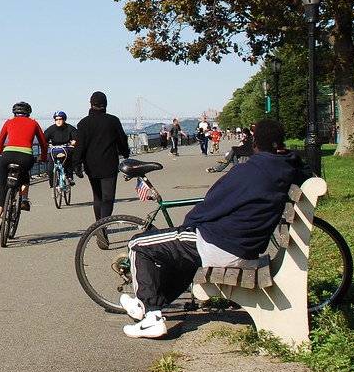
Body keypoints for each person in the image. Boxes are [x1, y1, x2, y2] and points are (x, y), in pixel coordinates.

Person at [119, 119, 304, 338]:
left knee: (138, 244)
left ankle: (152, 317)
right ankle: (149, 304)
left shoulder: (248, 172)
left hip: (219, 245)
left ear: (255, 143)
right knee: (183, 257)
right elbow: (305, 170)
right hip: (247, 250)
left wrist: (187, 226)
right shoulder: (288, 166)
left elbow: (211, 205)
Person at [0, 101, 47, 233]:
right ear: (28, 113)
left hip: (8, 155)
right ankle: (24, 200)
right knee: (25, 175)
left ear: (14, 113)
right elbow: (43, 143)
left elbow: (1, 139)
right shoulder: (34, 123)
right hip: (25, 156)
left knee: (3, 186)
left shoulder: (9, 122)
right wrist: (43, 157)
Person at [74, 91, 131, 222]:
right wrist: (125, 153)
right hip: (109, 164)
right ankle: (102, 227)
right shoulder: (113, 121)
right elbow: (122, 140)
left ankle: (98, 227)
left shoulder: (83, 123)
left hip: (91, 165)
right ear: (106, 104)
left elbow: (79, 146)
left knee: (98, 197)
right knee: (108, 198)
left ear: (90, 104)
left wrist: (76, 164)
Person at [43, 110, 79, 186]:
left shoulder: (69, 128)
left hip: (66, 148)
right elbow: (44, 138)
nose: (58, 121)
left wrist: (74, 140)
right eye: (56, 119)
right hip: (55, 149)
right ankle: (53, 183)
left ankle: (69, 177)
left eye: (60, 119)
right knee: (50, 165)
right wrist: (44, 142)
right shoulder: (51, 129)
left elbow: (75, 134)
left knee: (69, 157)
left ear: (64, 119)